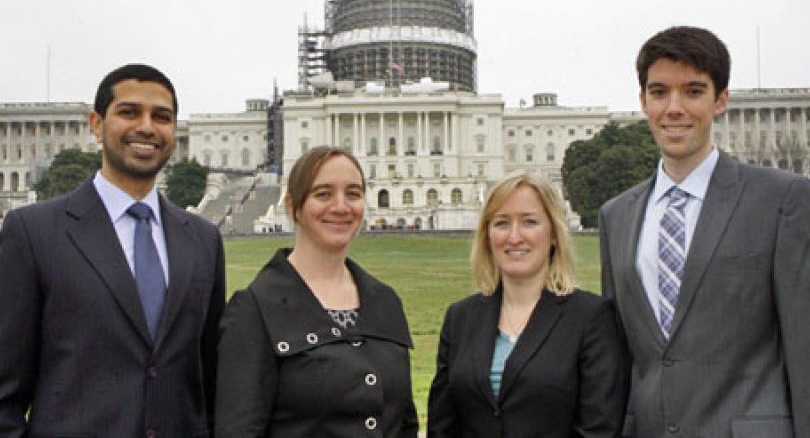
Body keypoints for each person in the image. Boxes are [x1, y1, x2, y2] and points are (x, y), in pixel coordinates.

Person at [599, 26, 810, 437]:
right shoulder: (616, 216)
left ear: (721, 101)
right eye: (659, 92)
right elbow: (622, 356)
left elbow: (804, 346)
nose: (674, 108)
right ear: (643, 101)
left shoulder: (783, 199)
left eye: (693, 91)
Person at [0, 64, 226, 437]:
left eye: (162, 117)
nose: (147, 127)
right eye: (129, 112)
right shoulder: (34, 232)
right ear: (96, 124)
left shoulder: (203, 239)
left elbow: (210, 377)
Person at [216, 146, 418, 437]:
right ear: (292, 205)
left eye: (353, 193)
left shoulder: (384, 300)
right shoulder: (254, 310)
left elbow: (403, 422)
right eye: (323, 194)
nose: (341, 206)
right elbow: (239, 429)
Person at [428, 173, 628, 438]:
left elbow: (599, 427)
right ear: (487, 236)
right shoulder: (460, 318)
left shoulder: (591, 317)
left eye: (529, 222)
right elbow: (442, 425)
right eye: (501, 223)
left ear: (554, 234)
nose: (514, 237)